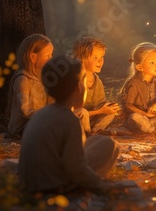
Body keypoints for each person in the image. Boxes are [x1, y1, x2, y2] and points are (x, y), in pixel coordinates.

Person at [18, 55, 120, 193]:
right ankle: (82, 186)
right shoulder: (70, 120)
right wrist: (100, 185)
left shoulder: (42, 113)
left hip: (32, 181)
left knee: (98, 141)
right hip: (53, 186)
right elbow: (76, 167)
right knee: (109, 145)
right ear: (79, 88)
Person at [120, 42, 156, 134]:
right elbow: (128, 105)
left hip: (154, 119)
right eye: (152, 63)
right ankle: (153, 130)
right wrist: (145, 114)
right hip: (140, 119)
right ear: (140, 67)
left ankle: (154, 128)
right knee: (135, 117)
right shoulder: (134, 83)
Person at [7, 34, 54, 138]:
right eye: (48, 56)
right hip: (22, 127)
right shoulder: (22, 79)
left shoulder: (45, 79)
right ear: (33, 57)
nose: (51, 58)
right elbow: (25, 110)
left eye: (51, 55)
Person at [72, 37, 120, 135]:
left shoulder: (98, 82)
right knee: (83, 112)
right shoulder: (73, 80)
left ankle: (93, 133)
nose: (100, 61)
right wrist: (100, 111)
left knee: (111, 113)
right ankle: (86, 135)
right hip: (74, 120)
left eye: (102, 57)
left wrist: (109, 107)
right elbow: (72, 112)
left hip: (91, 120)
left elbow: (101, 105)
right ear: (81, 59)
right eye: (95, 58)